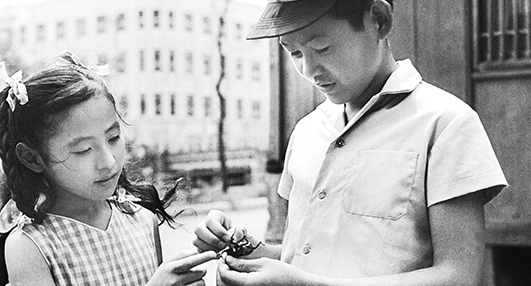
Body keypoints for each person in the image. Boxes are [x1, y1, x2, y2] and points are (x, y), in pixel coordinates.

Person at [193, 0, 508, 285]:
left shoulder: (446, 124)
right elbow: (302, 256)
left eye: (322, 47)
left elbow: (459, 277)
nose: (308, 70)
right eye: (294, 52)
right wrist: (249, 252)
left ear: (379, 20)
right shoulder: (306, 131)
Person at [0, 51, 215, 286]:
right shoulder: (30, 246)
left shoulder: (142, 219)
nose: (109, 161)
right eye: (83, 150)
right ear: (32, 158)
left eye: (113, 138)